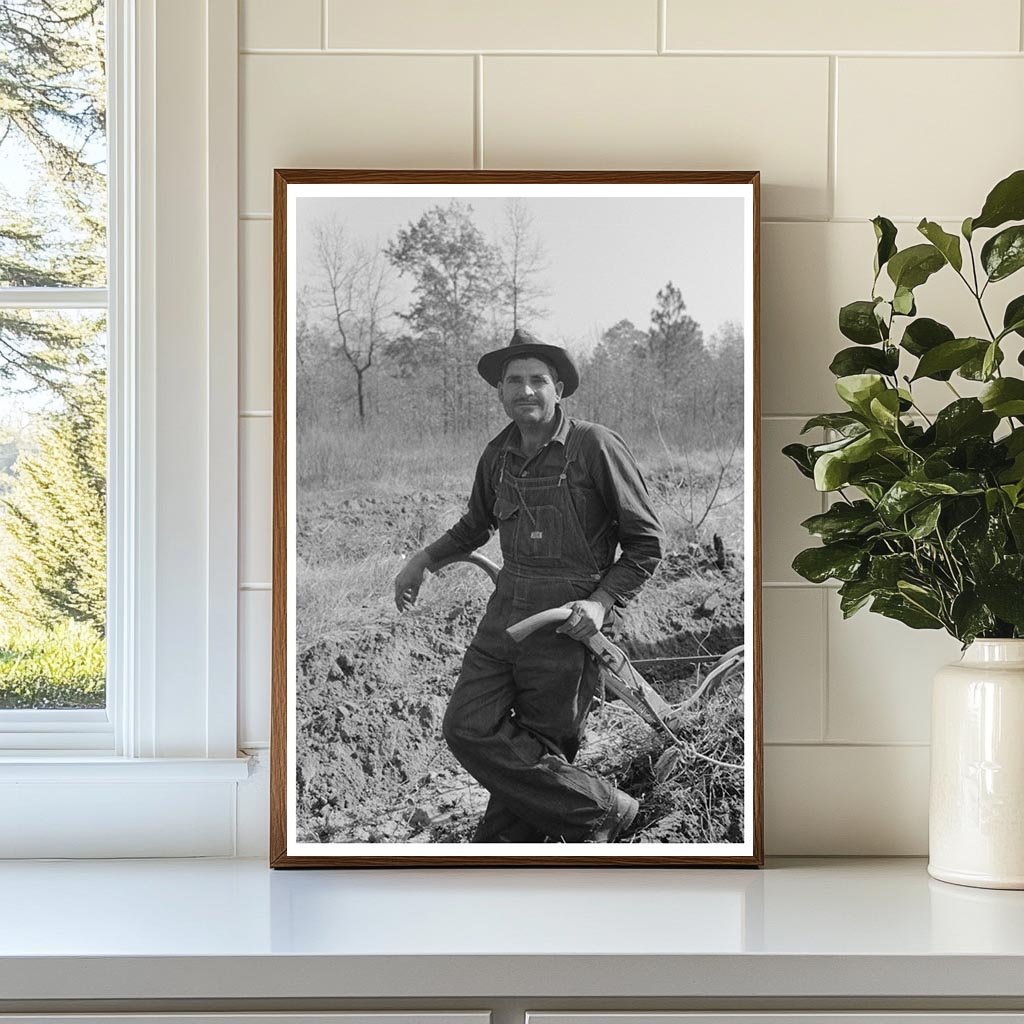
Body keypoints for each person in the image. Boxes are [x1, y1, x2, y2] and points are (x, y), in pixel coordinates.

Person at [394, 328, 665, 843]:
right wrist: (422, 560)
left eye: (537, 380)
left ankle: (498, 851)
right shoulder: (496, 456)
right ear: (499, 391)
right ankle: (604, 808)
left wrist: (602, 603)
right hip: (506, 616)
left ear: (558, 387)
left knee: (542, 746)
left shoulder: (594, 446)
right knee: (466, 725)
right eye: (513, 381)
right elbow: (474, 527)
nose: (525, 391)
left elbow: (646, 544)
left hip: (568, 623)